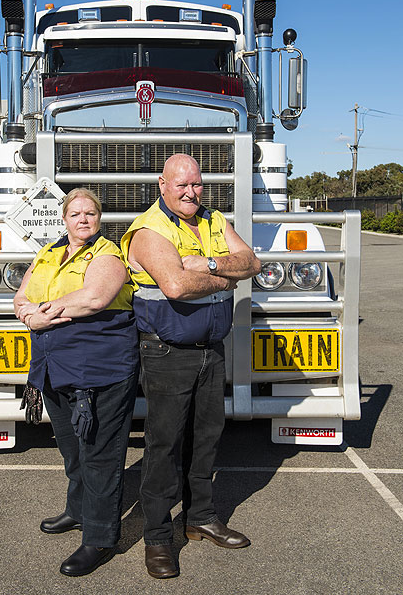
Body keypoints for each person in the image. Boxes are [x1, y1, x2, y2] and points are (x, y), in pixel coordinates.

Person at [121, 154, 261, 579]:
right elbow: (177, 285)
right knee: (163, 447)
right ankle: (159, 538)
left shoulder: (213, 219)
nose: (190, 192)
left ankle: (201, 516)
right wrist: (225, 276)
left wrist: (212, 264)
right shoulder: (149, 231)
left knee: (206, 439)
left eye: (197, 184)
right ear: (162, 184)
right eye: (181, 184)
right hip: (167, 353)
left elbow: (252, 263)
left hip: (210, 350)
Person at [14, 188, 138, 578]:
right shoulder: (48, 254)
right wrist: (27, 314)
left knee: (100, 454)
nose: (83, 219)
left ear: (99, 219)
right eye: (75, 214)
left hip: (99, 371)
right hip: (53, 368)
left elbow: (96, 298)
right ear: (64, 219)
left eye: (90, 213)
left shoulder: (108, 254)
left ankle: (101, 537)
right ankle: (78, 510)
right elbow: (20, 296)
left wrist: (42, 313)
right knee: (72, 448)